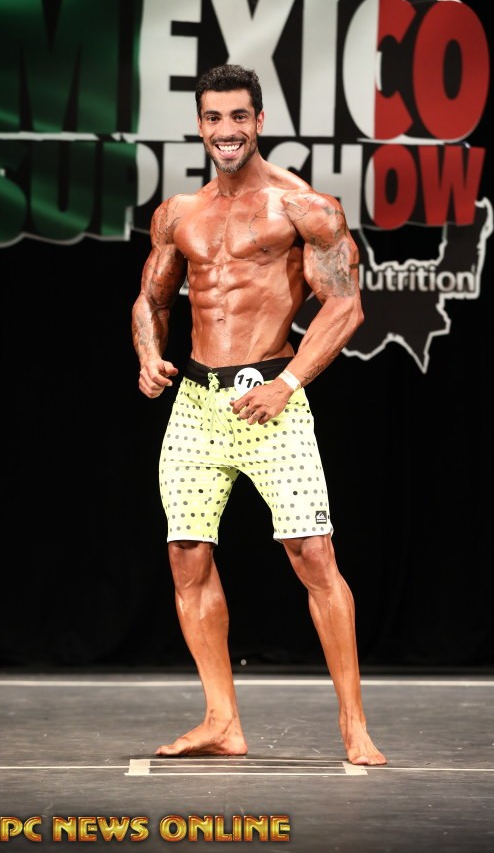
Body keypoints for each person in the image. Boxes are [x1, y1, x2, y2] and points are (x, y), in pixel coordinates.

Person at [131, 63, 386, 767]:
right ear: (200, 125)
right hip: (195, 406)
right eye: (214, 118)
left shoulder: (304, 207)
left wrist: (290, 383)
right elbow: (152, 299)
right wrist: (148, 354)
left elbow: (345, 306)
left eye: (238, 117)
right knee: (186, 557)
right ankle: (222, 720)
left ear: (259, 121)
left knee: (314, 556)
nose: (227, 131)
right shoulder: (178, 213)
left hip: (271, 398)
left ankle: (354, 723)